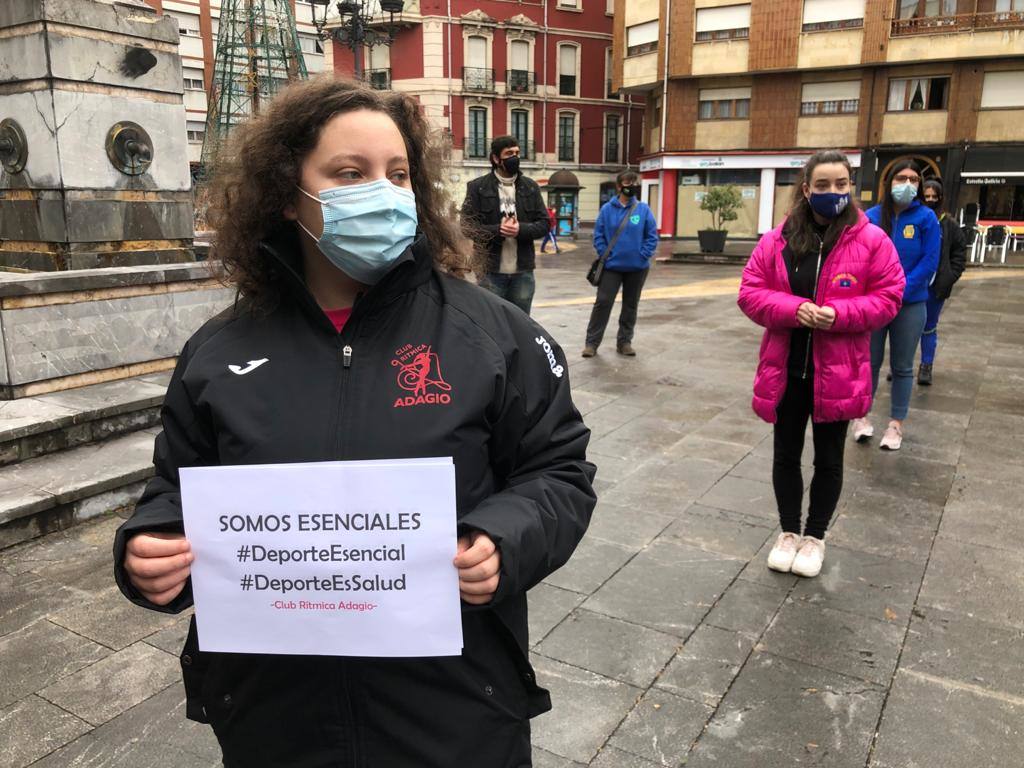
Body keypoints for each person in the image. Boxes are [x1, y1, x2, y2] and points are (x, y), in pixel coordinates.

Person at [112, 78, 596, 768]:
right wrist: (150, 544)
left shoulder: (492, 333)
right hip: (275, 720)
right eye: (351, 173)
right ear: (288, 193)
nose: (386, 191)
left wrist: (505, 539)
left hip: (454, 712)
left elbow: (560, 471)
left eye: (399, 174)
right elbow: (178, 484)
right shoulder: (219, 351)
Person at [738, 150, 904, 578]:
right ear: (806, 188)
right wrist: (794, 308)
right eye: (824, 185)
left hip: (839, 372)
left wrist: (841, 315)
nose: (833, 193)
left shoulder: (872, 240)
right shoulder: (777, 238)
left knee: (829, 459)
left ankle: (815, 537)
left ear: (851, 187)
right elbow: (751, 292)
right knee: (785, 455)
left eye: (841, 184)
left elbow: (889, 297)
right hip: (786, 368)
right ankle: (788, 532)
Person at [857, 161, 940, 450]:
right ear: (889, 182)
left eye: (914, 179)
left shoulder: (926, 218)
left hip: (910, 304)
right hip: (875, 304)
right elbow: (860, 258)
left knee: (903, 367)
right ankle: (861, 416)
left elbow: (930, 261)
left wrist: (899, 289)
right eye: (901, 178)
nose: (908, 184)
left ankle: (895, 425)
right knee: (869, 362)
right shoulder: (871, 217)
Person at [461, 135, 549, 314]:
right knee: (492, 323)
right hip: (489, 272)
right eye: (509, 153)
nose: (515, 157)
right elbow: (466, 226)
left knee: (522, 323)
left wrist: (520, 229)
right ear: (496, 158)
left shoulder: (530, 187)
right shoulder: (477, 187)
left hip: (523, 272)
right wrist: (498, 230)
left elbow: (545, 224)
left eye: (517, 153)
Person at [581, 170, 659, 358]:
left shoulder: (643, 210)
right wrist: (605, 255)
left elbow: (651, 236)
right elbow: (598, 235)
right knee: (603, 303)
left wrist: (643, 255)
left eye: (633, 183)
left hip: (637, 268)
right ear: (618, 186)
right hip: (611, 268)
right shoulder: (607, 209)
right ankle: (591, 343)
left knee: (630, 305)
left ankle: (624, 342)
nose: (631, 186)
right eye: (627, 183)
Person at [918, 178, 966, 385]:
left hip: (936, 287)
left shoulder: (950, 225)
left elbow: (959, 254)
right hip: (912, 284)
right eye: (926, 196)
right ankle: (899, 365)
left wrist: (949, 276)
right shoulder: (914, 220)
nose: (930, 200)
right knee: (906, 327)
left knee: (929, 327)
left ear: (940, 198)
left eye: (933, 197)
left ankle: (926, 366)